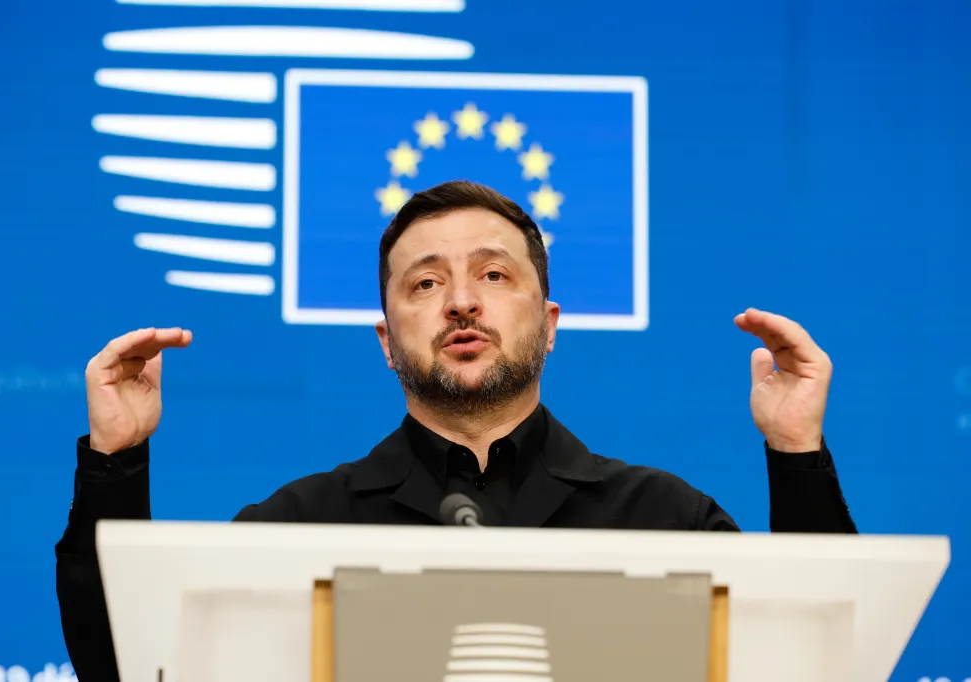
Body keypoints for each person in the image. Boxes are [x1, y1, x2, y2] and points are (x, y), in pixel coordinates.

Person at [54, 180, 856, 682]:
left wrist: (797, 453)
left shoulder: (666, 520)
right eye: (426, 282)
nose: (461, 301)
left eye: (494, 275)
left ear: (547, 326)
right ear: (385, 339)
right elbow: (124, 669)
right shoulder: (295, 527)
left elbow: (823, 668)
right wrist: (116, 462)